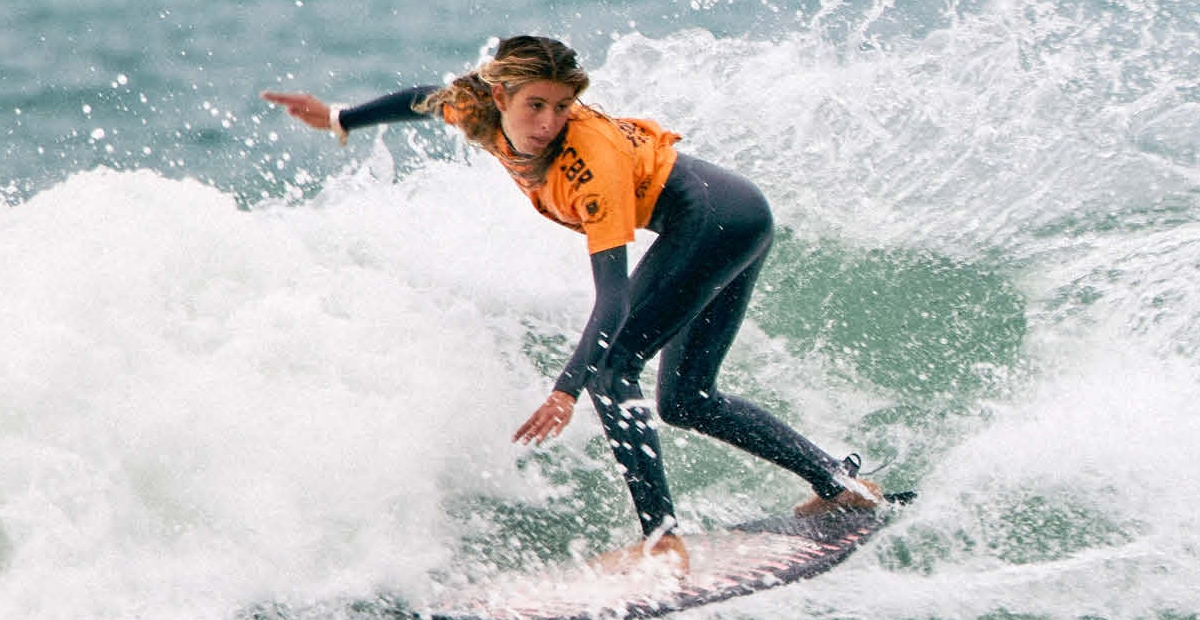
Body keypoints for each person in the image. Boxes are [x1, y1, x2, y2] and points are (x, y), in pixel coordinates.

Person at [264, 35, 882, 573]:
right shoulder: (476, 106)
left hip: (719, 220)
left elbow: (612, 298)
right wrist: (341, 117)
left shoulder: (591, 161)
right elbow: (425, 98)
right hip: (729, 215)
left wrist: (566, 390)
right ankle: (840, 484)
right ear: (499, 96)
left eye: (562, 107)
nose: (549, 122)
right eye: (536, 105)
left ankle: (662, 541)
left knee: (611, 371)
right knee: (687, 400)